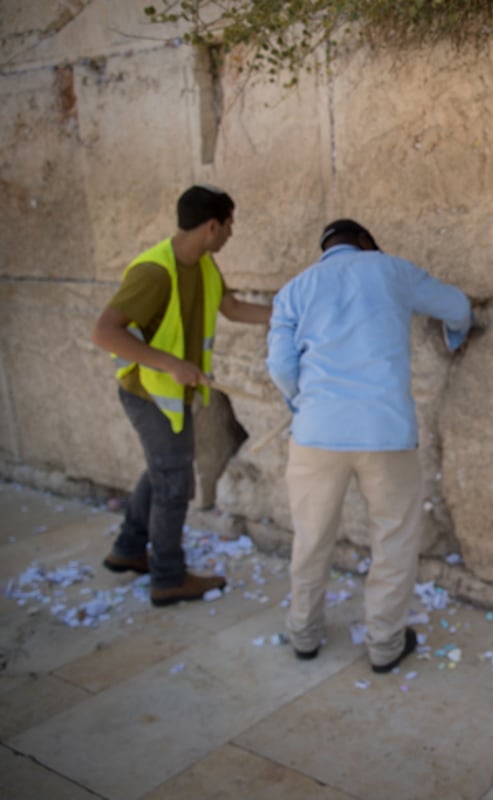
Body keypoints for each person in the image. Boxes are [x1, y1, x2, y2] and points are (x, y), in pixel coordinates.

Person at [267, 219, 472, 674]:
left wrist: (302, 403)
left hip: (316, 434)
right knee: (394, 540)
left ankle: (304, 634)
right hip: (386, 433)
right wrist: (455, 335)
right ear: (365, 241)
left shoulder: (295, 289)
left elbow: (280, 365)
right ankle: (384, 644)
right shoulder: (390, 270)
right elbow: (456, 305)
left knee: (311, 538)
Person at [92, 184, 272, 606]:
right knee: (175, 481)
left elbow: (232, 308)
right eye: (229, 224)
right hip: (149, 394)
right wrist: (171, 363)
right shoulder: (154, 272)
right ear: (212, 226)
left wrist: (290, 313)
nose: (232, 232)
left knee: (162, 469)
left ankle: (129, 548)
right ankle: (168, 577)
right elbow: (104, 332)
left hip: (172, 394)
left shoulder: (205, 266)